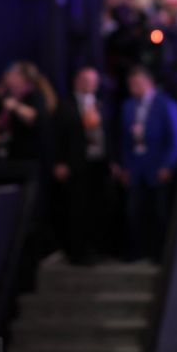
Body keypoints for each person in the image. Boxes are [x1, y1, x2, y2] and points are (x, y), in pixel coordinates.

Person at [118, 66, 177, 261]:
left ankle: (159, 254)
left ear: (149, 83)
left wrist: (167, 165)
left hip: (157, 167)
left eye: (137, 83)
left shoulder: (166, 105)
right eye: (130, 84)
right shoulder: (127, 106)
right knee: (133, 212)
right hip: (134, 168)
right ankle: (135, 251)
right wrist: (124, 167)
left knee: (159, 212)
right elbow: (123, 139)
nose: (133, 88)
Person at [54, 67, 113, 264]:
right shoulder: (65, 105)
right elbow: (57, 136)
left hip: (99, 163)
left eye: (93, 81)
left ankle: (99, 248)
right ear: (77, 81)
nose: (89, 84)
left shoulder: (101, 104)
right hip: (76, 164)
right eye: (85, 80)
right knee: (77, 208)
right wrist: (60, 161)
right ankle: (78, 252)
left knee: (99, 206)